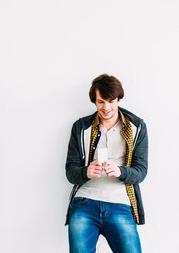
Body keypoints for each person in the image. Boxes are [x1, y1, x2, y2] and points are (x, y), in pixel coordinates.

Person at [65, 74, 148, 253]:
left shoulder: (137, 127)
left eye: (111, 101)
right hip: (85, 201)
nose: (106, 107)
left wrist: (120, 171)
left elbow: (141, 171)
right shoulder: (81, 128)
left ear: (118, 99)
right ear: (95, 101)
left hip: (120, 202)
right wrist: (86, 171)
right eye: (101, 101)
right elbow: (70, 171)